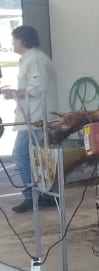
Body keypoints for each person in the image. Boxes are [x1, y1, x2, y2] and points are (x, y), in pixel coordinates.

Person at [2, 25, 59, 213]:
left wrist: (15, 93)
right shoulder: (32, 58)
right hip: (34, 115)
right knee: (39, 157)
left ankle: (31, 195)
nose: (12, 43)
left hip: (36, 118)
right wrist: (17, 97)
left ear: (22, 40)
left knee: (20, 155)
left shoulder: (34, 59)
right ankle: (45, 195)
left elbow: (38, 87)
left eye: (14, 39)